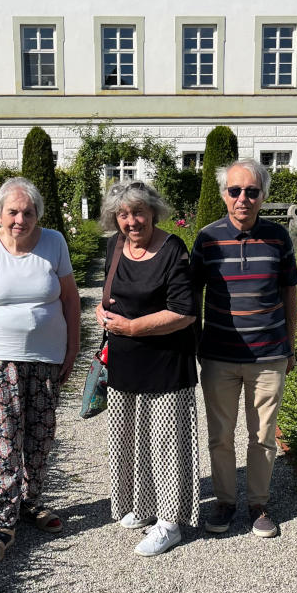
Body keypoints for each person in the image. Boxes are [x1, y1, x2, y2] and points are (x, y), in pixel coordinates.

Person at [0, 176, 80, 564]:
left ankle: (31, 502)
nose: (20, 219)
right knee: (3, 439)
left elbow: (71, 299)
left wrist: (72, 349)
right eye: (12, 212)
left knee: (40, 437)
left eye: (28, 212)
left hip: (46, 358)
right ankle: (4, 522)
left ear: (37, 215)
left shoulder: (54, 242)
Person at [191, 159, 297, 538]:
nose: (243, 198)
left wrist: (290, 344)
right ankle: (225, 501)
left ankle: (258, 503)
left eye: (251, 191)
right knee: (220, 435)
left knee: (263, 435)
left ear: (262, 196)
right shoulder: (206, 239)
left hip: (268, 355)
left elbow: (289, 291)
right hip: (219, 355)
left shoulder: (278, 238)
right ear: (224, 195)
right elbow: (190, 294)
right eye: (235, 191)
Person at [95, 181, 199, 557]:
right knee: (132, 438)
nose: (132, 221)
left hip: (166, 360)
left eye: (138, 212)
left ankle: (170, 521)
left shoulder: (172, 249)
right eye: (123, 214)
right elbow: (109, 295)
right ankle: (143, 505)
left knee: (166, 442)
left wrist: (133, 327)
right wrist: (101, 312)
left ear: (153, 212)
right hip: (124, 359)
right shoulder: (115, 246)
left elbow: (184, 312)